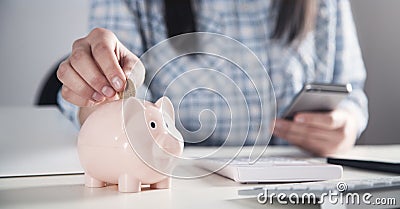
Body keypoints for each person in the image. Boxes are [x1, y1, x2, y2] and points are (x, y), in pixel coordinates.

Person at [56, 0, 368, 156]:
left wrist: (346, 123)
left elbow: (352, 93)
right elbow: (113, 107)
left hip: (299, 185)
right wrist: (98, 91)